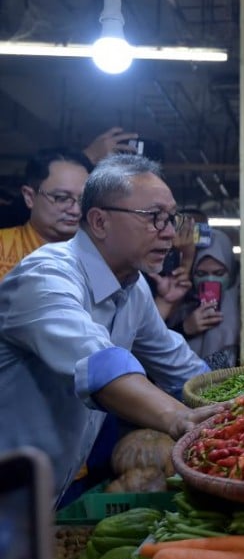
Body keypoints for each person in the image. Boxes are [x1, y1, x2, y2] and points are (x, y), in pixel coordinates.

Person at [0, 154, 220, 505]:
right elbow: (99, 363)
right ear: (100, 221)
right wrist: (178, 417)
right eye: (153, 218)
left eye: (171, 218)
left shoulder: (134, 289)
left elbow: (180, 366)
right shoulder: (45, 276)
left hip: (43, 492)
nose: (168, 232)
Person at [0, 148, 93, 280]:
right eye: (61, 198)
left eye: (83, 199)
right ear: (30, 197)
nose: (76, 211)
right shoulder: (3, 248)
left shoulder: (99, 256)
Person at [167, 228, 241, 370]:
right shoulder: (178, 303)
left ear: (231, 272)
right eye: (201, 273)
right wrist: (184, 328)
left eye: (219, 273)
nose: (210, 279)